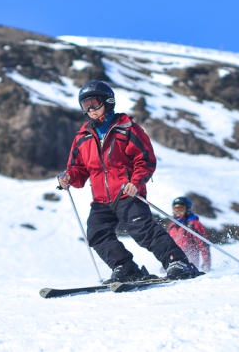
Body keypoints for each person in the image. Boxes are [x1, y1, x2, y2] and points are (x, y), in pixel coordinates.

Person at [58, 81, 200, 282]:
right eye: (85, 105)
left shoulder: (127, 129)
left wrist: (136, 181)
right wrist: (69, 177)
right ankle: (125, 268)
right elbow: (79, 169)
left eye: (94, 103)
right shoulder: (83, 137)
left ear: (108, 102)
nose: (90, 109)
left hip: (127, 192)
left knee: (143, 231)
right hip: (101, 199)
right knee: (97, 234)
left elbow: (145, 159)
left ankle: (177, 262)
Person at [168, 197, 211, 273]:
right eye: (175, 209)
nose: (178, 212)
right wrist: (166, 262)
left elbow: (203, 244)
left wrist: (206, 263)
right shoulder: (172, 226)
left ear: (187, 209)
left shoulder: (193, 224)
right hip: (173, 263)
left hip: (190, 263)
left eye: (181, 209)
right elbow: (168, 245)